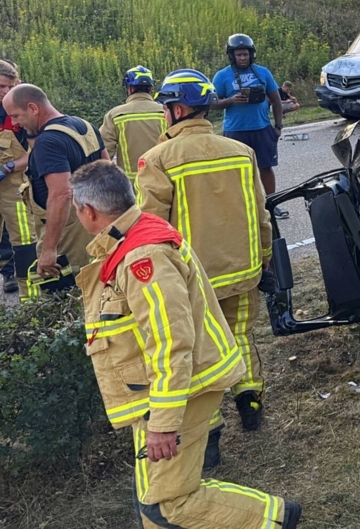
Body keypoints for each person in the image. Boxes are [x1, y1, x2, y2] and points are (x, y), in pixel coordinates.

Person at [69, 161, 301, 528]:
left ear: (88, 210)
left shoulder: (143, 257)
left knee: (167, 505)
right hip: (161, 390)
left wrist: (162, 423)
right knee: (153, 498)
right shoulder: (132, 238)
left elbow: (172, 343)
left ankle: (274, 519)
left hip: (181, 389)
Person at [136, 70, 273, 447]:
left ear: (178, 109)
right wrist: (265, 259)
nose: (165, 114)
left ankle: (209, 435)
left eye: (166, 108)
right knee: (241, 337)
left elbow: (150, 228)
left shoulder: (157, 159)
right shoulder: (242, 152)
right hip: (244, 272)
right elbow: (261, 215)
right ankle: (251, 406)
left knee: (200, 352)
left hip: (194, 281)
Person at [2, 84, 107, 285]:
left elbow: (61, 194)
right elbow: (108, 171)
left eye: (16, 116)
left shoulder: (48, 142)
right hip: (94, 223)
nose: (15, 123)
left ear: (33, 108)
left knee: (61, 293)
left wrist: (49, 249)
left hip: (65, 235)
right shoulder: (84, 126)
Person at [211, 34, 288, 219]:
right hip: (235, 131)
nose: (243, 58)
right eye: (239, 55)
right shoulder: (222, 76)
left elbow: (276, 100)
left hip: (261, 128)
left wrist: (278, 126)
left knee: (266, 168)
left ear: (251, 54)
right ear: (232, 56)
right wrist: (231, 100)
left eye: (245, 54)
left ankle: (271, 203)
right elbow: (212, 103)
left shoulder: (263, 72)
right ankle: (241, 208)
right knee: (236, 171)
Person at [0, 61, 35, 296]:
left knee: (24, 239)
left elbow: (37, 151)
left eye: (11, 85)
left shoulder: (23, 107)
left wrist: (10, 166)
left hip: (14, 183)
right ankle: (7, 272)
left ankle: (29, 295)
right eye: (2, 86)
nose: (6, 91)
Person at [100, 65, 167, 182]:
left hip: (129, 184)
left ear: (129, 88)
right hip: (162, 180)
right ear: (151, 88)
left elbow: (104, 150)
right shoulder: (165, 112)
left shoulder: (115, 115)